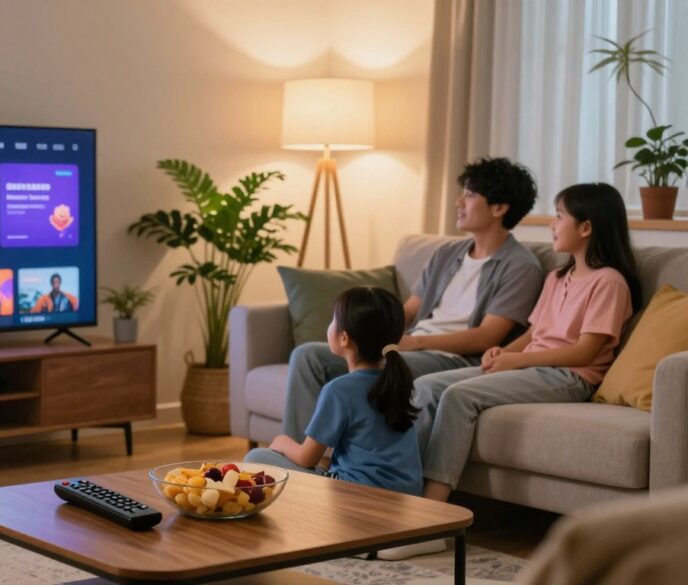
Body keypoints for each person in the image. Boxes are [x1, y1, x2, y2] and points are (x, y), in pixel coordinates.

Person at [387, 183, 640, 560]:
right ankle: (401, 501)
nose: (551, 225)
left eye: (558, 217)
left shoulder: (609, 282)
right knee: (425, 385)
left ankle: (431, 521)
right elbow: (536, 333)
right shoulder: (557, 278)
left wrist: (518, 360)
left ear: (586, 228)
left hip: (569, 376)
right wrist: (502, 352)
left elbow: (586, 350)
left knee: (458, 396)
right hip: (533, 366)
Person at [283, 157, 543, 443]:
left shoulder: (521, 267)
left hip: (453, 360)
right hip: (410, 346)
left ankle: (354, 468)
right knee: (308, 356)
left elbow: (487, 336)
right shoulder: (447, 254)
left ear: (499, 207)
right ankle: (301, 463)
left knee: (374, 368)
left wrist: (414, 342)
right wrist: (371, 331)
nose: (459, 202)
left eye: (469, 195)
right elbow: (409, 310)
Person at [245, 287, 424, 496]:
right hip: (407, 497)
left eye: (333, 320)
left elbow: (307, 458)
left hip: (355, 495)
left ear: (344, 338)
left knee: (255, 457)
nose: (329, 326)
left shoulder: (338, 390)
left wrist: (282, 443)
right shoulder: (399, 381)